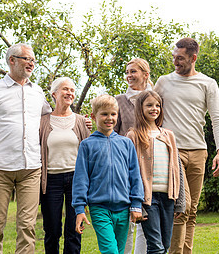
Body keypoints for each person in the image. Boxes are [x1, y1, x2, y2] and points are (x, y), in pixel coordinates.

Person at [0, 43, 51, 253]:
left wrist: (81, 121)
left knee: (27, 227)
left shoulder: (38, 92)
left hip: (31, 168)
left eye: (33, 60)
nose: (31, 63)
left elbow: (51, 116)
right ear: (12, 60)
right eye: (27, 59)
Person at [154, 37, 219, 254]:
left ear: (193, 58)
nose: (175, 63)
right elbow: (149, 110)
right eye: (174, 58)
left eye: (180, 59)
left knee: (192, 210)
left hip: (198, 152)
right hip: (171, 152)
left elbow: (217, 119)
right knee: (181, 208)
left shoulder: (207, 83)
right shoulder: (163, 82)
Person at [72, 94, 144, 254]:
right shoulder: (87, 145)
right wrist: (79, 209)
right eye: (104, 114)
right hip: (100, 208)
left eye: (113, 114)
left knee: (119, 250)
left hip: (124, 209)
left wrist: (136, 204)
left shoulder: (126, 143)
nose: (109, 118)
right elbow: (80, 179)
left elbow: (135, 176)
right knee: (110, 251)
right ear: (93, 116)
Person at [126, 90, 185, 254]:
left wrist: (179, 202)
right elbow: (130, 171)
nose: (154, 108)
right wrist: (134, 203)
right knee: (155, 246)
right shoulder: (134, 135)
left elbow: (177, 168)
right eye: (149, 105)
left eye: (157, 105)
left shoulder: (168, 135)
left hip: (168, 198)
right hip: (147, 199)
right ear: (140, 108)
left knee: (165, 245)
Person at [39, 77, 91, 254]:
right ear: (54, 94)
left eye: (72, 90)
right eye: (65, 89)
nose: (70, 93)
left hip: (76, 180)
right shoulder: (43, 121)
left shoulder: (81, 121)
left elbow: (88, 152)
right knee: (52, 230)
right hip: (51, 180)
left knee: (74, 229)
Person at [114, 58, 152, 253]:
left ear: (145, 74)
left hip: (150, 167)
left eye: (133, 71)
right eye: (127, 72)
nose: (129, 75)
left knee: (146, 218)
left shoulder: (154, 99)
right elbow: (112, 133)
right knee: (127, 220)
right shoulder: (119, 101)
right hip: (125, 167)